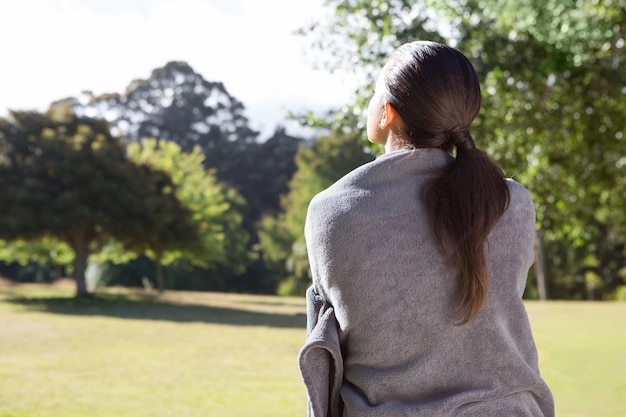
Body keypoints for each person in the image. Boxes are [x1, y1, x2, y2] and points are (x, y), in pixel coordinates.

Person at [298, 41, 555, 417]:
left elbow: (328, 344)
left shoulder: (334, 212)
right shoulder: (511, 203)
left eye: (374, 91)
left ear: (387, 113)